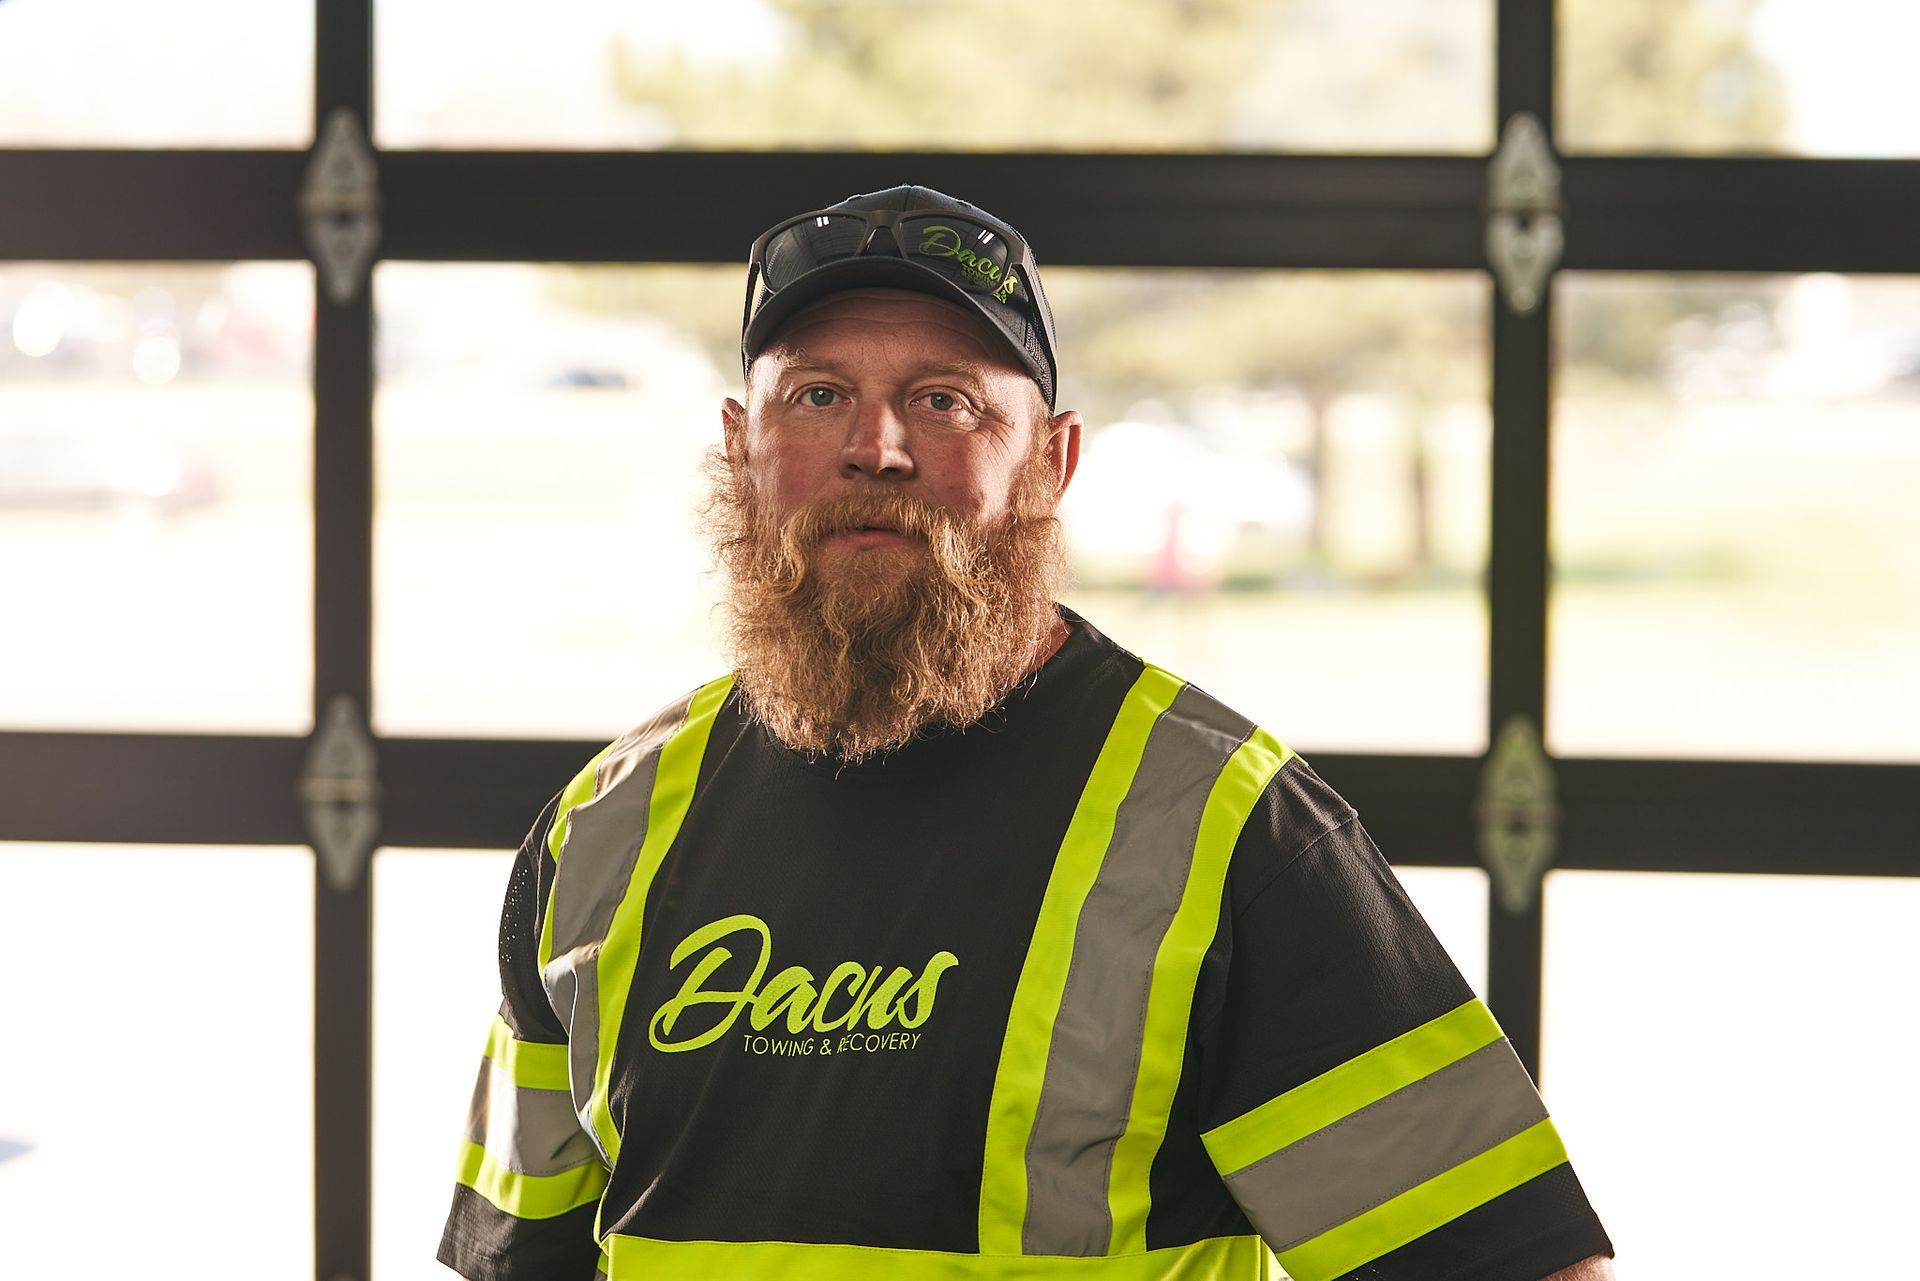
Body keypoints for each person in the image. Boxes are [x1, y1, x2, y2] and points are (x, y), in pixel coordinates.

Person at [438, 185, 1617, 1281]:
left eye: (944, 401)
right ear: (744, 448)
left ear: (1051, 461)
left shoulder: (1233, 835)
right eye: (820, 394)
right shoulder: (601, 830)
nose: (876, 448)